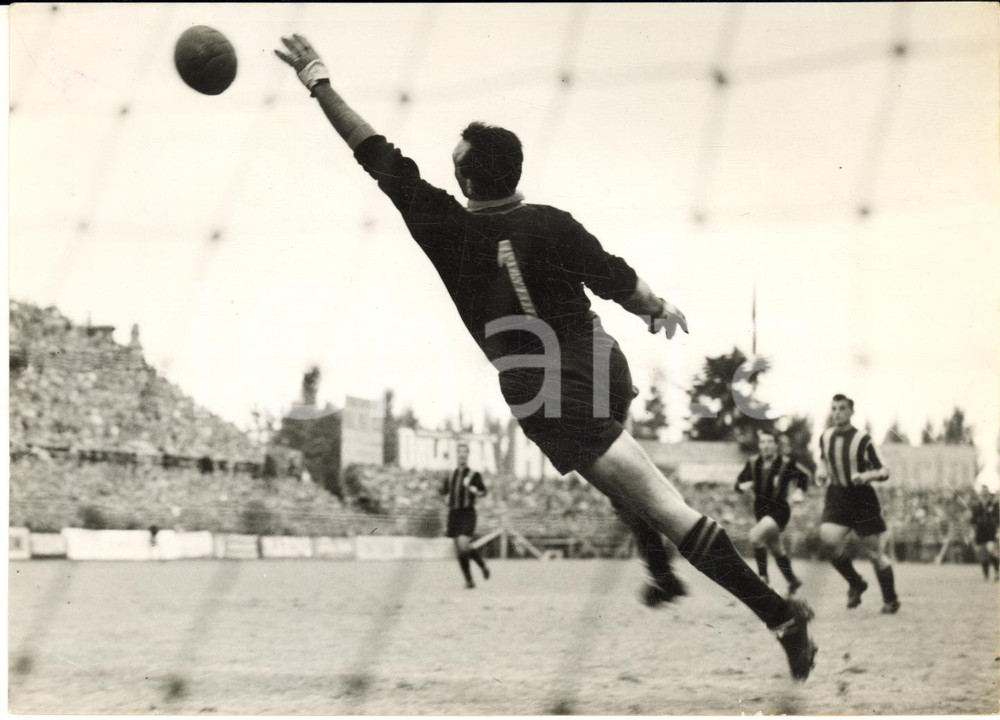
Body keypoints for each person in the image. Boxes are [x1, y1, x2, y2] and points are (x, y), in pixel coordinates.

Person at [274, 34, 816, 680]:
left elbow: (373, 153)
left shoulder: (444, 227)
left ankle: (779, 614)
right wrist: (657, 308)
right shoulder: (554, 224)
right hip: (601, 360)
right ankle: (668, 567)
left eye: (457, 159)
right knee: (633, 486)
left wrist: (319, 82)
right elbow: (621, 281)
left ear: (467, 178)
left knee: (664, 507)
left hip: (547, 396)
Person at [816, 394, 900, 614]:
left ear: (851, 412)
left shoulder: (863, 439)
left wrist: (866, 476)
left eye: (842, 408)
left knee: (874, 553)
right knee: (828, 541)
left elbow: (884, 470)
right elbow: (822, 461)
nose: (837, 413)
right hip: (837, 496)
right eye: (833, 408)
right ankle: (856, 583)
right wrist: (821, 473)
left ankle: (891, 600)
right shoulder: (825, 437)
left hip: (862, 498)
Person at [735, 430, 807, 595]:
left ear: (776, 445)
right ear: (759, 445)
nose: (765, 445)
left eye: (769, 442)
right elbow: (738, 483)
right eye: (762, 442)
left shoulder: (786, 463)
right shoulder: (753, 463)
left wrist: (799, 492)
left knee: (755, 537)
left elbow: (803, 478)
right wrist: (742, 486)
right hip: (760, 511)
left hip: (780, 509)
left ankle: (763, 579)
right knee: (776, 548)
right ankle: (793, 581)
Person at [441, 442, 490, 588]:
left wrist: (475, 490)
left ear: (467, 455)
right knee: (459, 550)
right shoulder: (450, 475)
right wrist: (445, 497)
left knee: (464, 545)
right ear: (457, 455)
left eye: (464, 452)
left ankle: (481, 564)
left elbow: (484, 492)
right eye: (460, 452)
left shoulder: (473, 475)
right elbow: (443, 492)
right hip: (453, 513)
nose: (462, 454)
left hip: (467, 513)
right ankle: (469, 580)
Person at [969, 485, 999, 581]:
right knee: (983, 554)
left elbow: (998, 519)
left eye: (986, 493)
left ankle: (997, 572)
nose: (984, 494)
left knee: (992, 551)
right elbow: (972, 521)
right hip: (980, 532)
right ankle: (985, 574)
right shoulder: (976, 506)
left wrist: (998, 531)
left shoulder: (994, 505)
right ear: (980, 494)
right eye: (982, 493)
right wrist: (972, 532)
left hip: (990, 531)